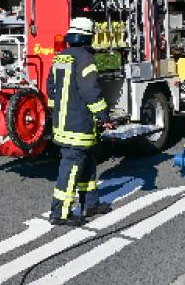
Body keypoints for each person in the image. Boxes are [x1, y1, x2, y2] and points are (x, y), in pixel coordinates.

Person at [46, 17, 115, 226]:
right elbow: (90, 91)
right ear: (88, 37)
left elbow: (50, 88)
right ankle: (60, 212)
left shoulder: (60, 58)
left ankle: (91, 203)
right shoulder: (85, 59)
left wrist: (56, 111)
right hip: (78, 125)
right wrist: (104, 116)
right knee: (72, 167)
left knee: (88, 163)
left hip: (63, 123)